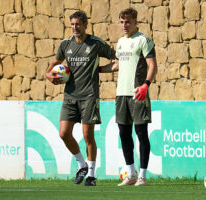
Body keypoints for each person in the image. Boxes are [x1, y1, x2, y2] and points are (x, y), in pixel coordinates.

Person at [46, 11, 115, 186]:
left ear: (85, 24)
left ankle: (91, 175)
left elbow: (117, 60)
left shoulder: (96, 44)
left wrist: (100, 70)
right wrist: (50, 76)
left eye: (78, 24)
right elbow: (52, 66)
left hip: (89, 96)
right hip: (70, 96)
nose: (75, 28)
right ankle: (81, 165)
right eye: (72, 25)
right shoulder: (65, 44)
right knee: (63, 134)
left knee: (87, 136)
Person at [103, 8, 157, 186]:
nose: (124, 25)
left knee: (141, 133)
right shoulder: (120, 42)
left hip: (138, 93)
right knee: (124, 134)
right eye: (121, 22)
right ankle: (131, 173)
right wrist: (97, 70)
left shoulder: (143, 40)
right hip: (121, 94)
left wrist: (145, 85)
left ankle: (142, 175)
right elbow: (117, 64)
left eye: (127, 22)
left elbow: (152, 66)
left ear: (135, 22)